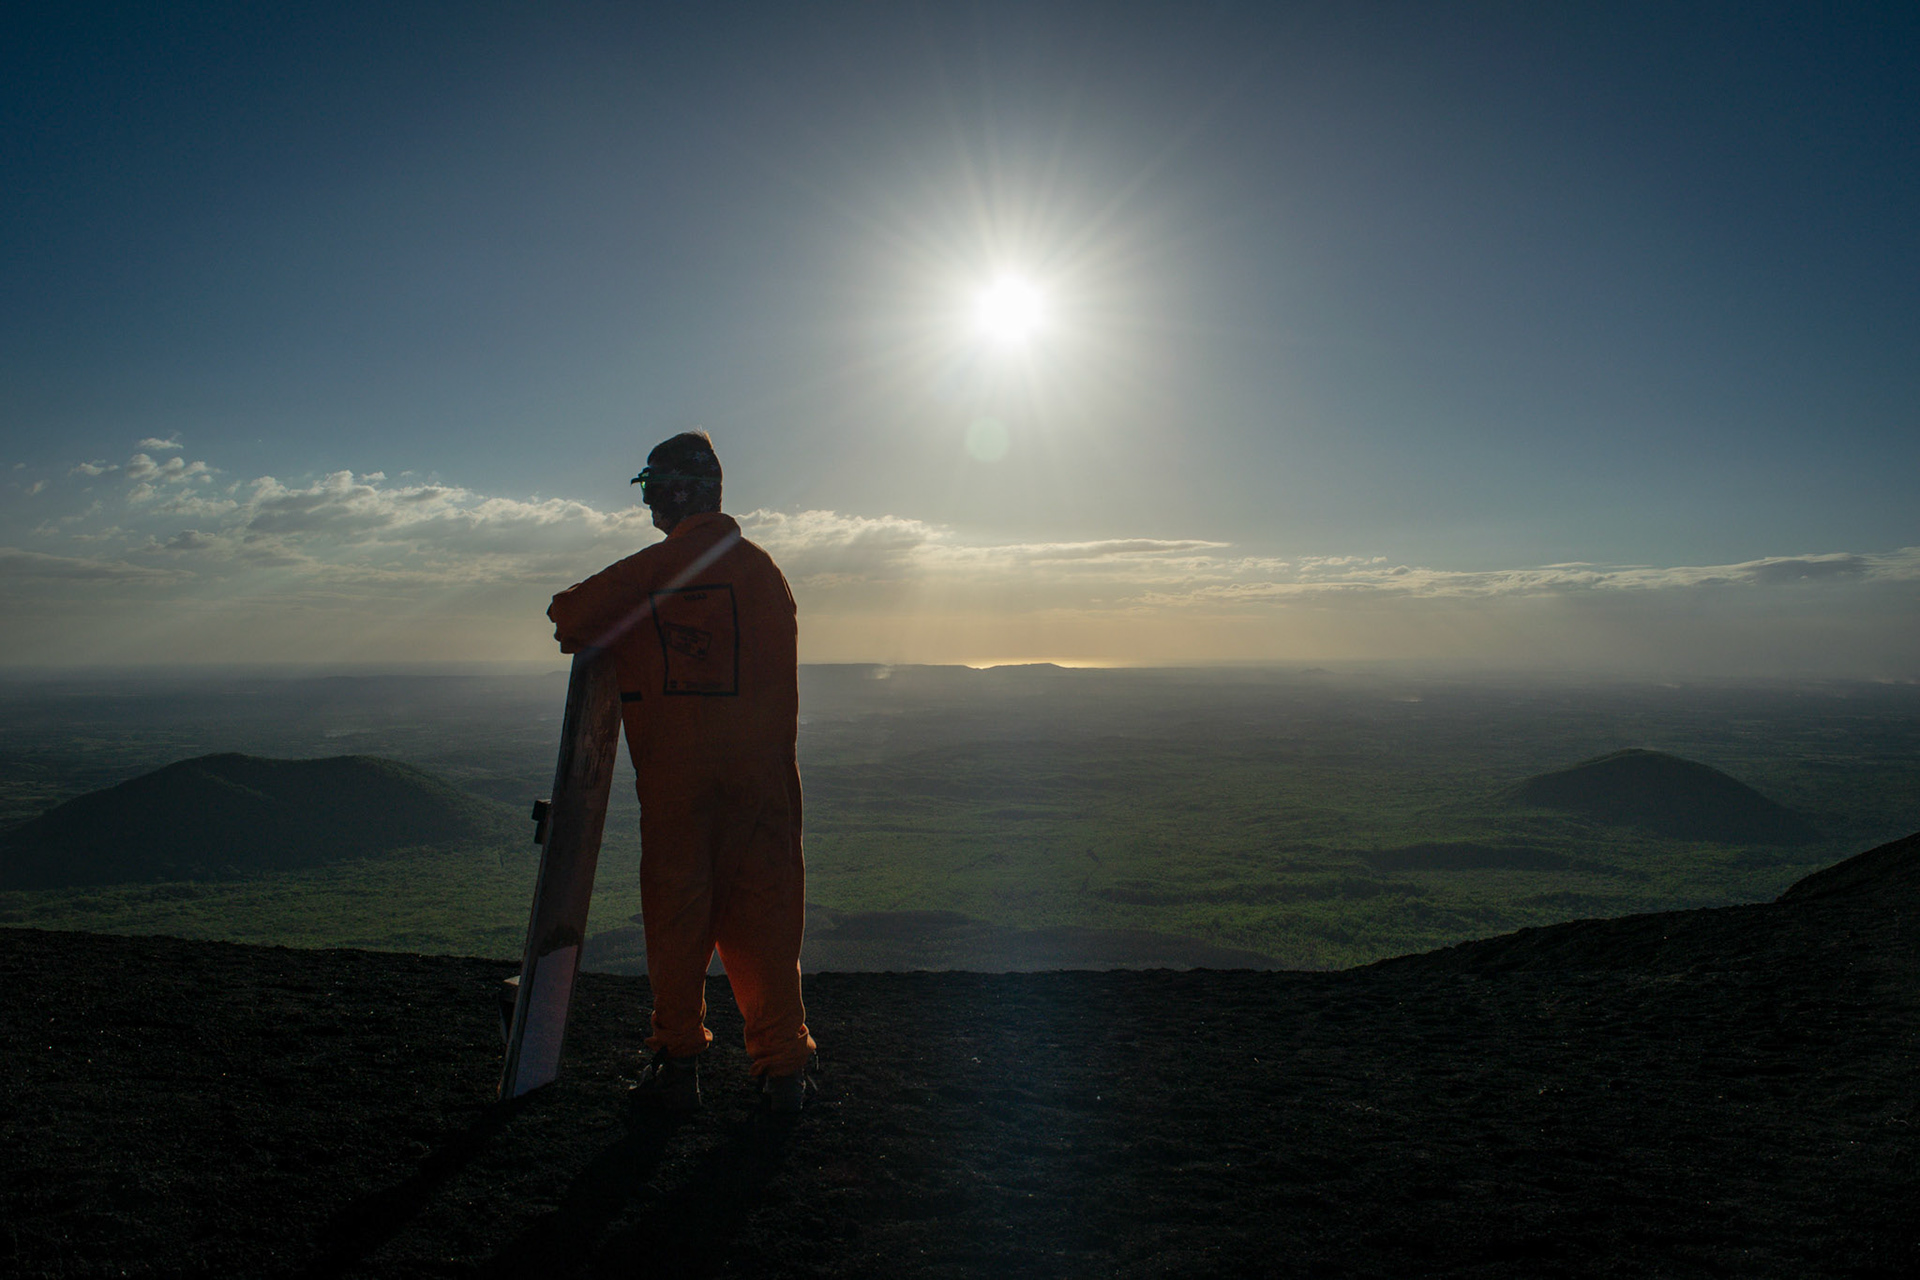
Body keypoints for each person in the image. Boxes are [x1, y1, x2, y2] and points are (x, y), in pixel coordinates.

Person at [547, 431, 815, 1113]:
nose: (647, 507)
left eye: (652, 490)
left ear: (677, 491)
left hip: (680, 787)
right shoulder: (765, 575)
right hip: (764, 788)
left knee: (677, 918)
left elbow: (569, 618)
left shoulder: (654, 572)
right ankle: (782, 1073)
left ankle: (677, 1065)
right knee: (767, 925)